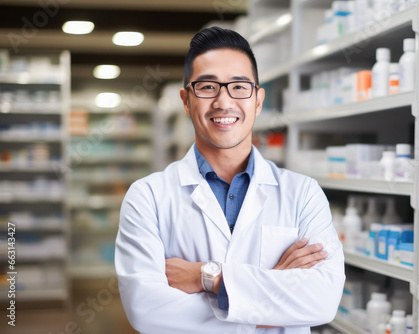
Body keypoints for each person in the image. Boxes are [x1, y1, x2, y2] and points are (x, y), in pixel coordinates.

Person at [115, 26, 345, 334]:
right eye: (208, 87)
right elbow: (146, 311)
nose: (224, 102)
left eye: (239, 87)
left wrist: (209, 277)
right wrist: (271, 297)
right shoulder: (147, 196)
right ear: (186, 100)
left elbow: (322, 301)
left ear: (258, 100)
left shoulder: (303, 194)